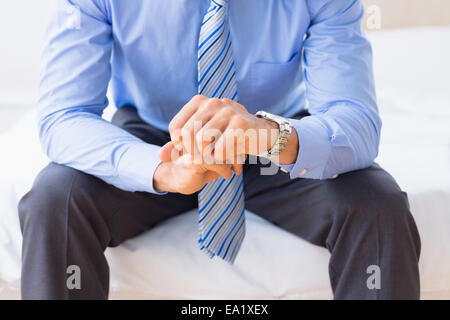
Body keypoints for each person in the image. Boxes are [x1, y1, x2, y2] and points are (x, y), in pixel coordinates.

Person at [18, 0, 420, 299]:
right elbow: (64, 115)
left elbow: (356, 120)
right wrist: (159, 169)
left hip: (273, 142)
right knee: (57, 199)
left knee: (376, 203)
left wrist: (269, 134)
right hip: (152, 140)